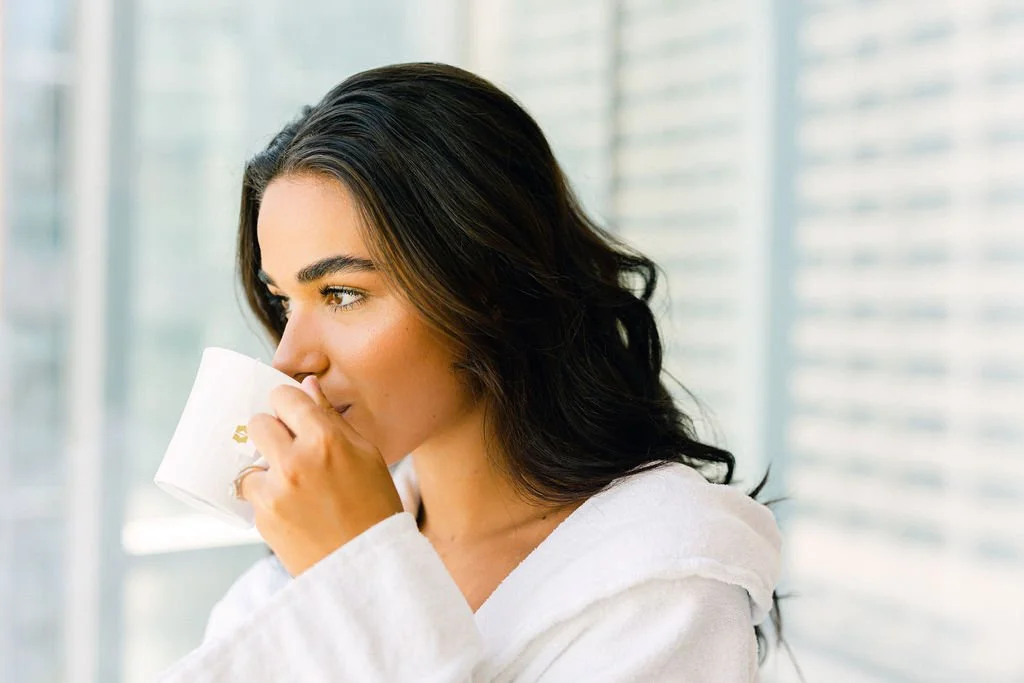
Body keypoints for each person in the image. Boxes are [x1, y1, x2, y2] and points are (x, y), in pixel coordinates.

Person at [157, 62, 786, 682]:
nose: (291, 359)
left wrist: (353, 571)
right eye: (283, 301)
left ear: (484, 286)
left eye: (343, 294)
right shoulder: (282, 583)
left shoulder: (660, 583)